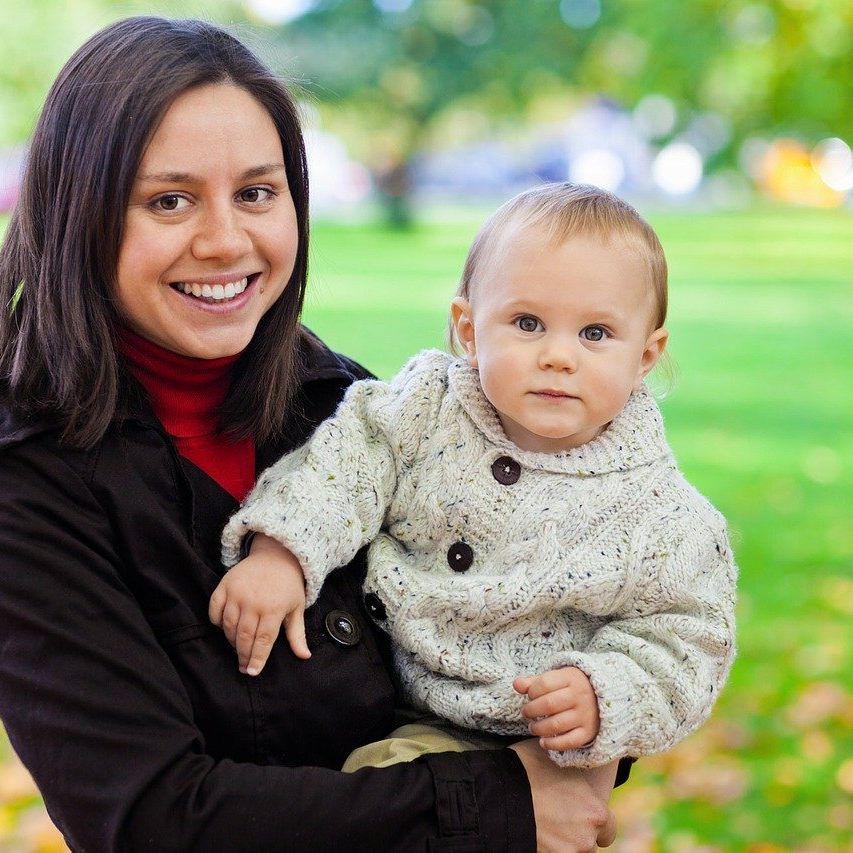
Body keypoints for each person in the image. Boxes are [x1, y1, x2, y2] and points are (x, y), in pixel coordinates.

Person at [0, 16, 625, 853]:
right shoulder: (28, 483)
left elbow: (528, 617)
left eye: (257, 193)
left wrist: (596, 703)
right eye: (169, 200)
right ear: (77, 213)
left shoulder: (351, 406)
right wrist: (502, 804)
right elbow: (151, 818)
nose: (226, 241)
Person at [215, 183, 737, 774]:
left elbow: (686, 638)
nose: (558, 356)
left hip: (518, 735)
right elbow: (343, 468)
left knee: (383, 785)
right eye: (527, 323)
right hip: (375, 673)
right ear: (468, 329)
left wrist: (605, 693)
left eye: (595, 334)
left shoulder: (662, 517)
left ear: (645, 355)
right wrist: (283, 551)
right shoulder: (425, 410)